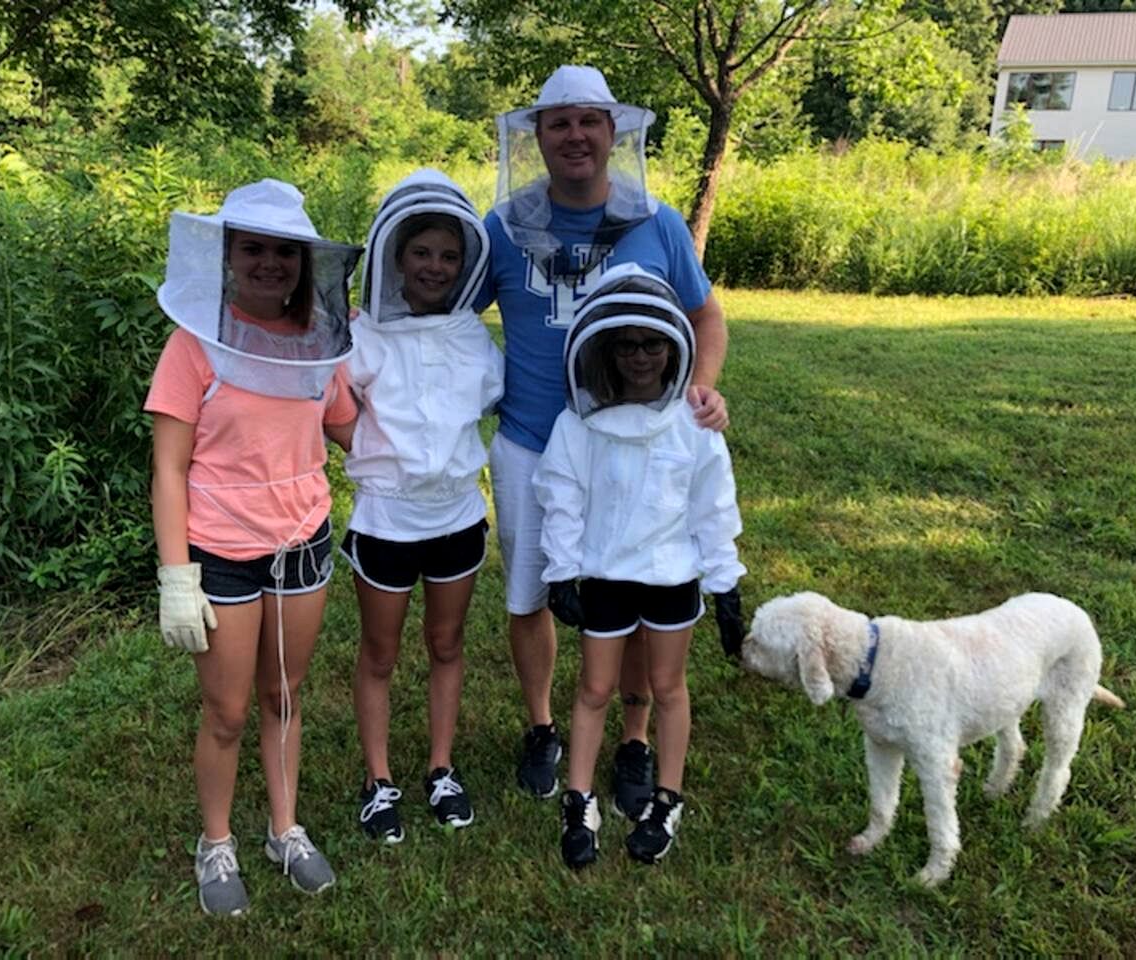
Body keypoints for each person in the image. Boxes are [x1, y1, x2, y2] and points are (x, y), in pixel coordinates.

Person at [474, 64, 736, 811]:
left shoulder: (654, 223)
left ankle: (633, 740)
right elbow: (445, 301)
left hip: (640, 445)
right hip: (532, 440)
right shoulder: (505, 226)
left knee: (639, 581)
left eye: (590, 120)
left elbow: (705, 316)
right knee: (532, 593)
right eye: (559, 123)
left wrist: (701, 387)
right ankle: (542, 727)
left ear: (614, 132)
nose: (575, 135)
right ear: (538, 137)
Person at [147, 179, 362, 915]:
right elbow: (169, 467)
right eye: (254, 248)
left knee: (285, 694)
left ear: (306, 262)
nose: (270, 263)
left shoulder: (320, 345)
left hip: (302, 542)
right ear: (228, 255)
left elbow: (349, 430)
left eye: (284, 251)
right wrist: (177, 575)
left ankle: (284, 828)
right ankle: (216, 842)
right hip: (221, 552)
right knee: (228, 710)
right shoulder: (193, 344)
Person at [533, 264, 746, 868]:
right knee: (595, 688)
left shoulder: (694, 426)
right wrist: (561, 572)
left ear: (674, 344)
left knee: (667, 688)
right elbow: (562, 497)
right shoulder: (578, 425)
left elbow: (714, 506)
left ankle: (667, 798)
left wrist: (725, 584)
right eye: (627, 343)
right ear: (604, 346)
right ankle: (579, 799)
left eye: (653, 343)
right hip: (605, 577)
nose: (641, 356)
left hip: (673, 580)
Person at [339, 169, 504, 842]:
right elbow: (331, 409)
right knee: (379, 652)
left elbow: (487, 402)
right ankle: (379, 780)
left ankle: (441, 766)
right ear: (393, 258)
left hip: (457, 517)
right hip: (386, 518)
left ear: (463, 265)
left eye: (447, 255)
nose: (434, 266)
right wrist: (381, 453)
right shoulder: (364, 335)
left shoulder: (472, 335)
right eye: (421, 253)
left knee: (446, 643)